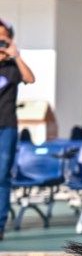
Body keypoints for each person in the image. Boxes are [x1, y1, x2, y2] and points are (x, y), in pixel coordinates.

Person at [0, 18, 36, 241]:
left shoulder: (13, 67)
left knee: (2, 176)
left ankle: (0, 224)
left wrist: (16, 55)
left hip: (7, 127)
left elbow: (30, 79)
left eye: (3, 37)